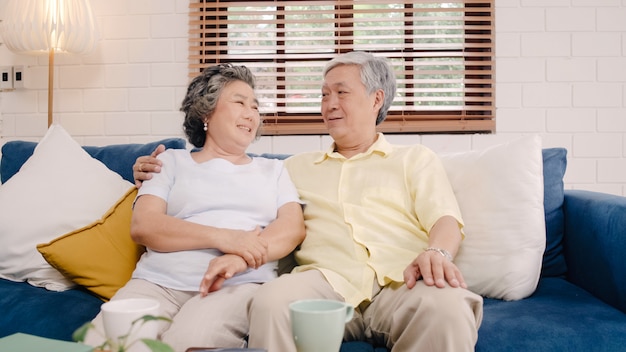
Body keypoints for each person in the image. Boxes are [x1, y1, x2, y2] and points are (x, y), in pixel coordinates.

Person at [134, 52, 483, 351]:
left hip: (401, 283)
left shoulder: (414, 159)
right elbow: (234, 185)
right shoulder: (292, 168)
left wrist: (437, 252)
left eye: (341, 93)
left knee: (449, 308)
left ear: (376, 100)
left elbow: (445, 219)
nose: (329, 104)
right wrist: (150, 170)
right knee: (272, 301)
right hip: (323, 284)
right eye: (324, 95)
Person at [88, 63, 305, 352]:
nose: (251, 113)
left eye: (255, 106)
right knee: (105, 344)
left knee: (186, 343)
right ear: (206, 112)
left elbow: (291, 228)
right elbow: (145, 226)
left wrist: (238, 256)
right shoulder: (168, 162)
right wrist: (227, 238)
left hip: (236, 285)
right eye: (239, 102)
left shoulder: (274, 170)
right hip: (157, 283)